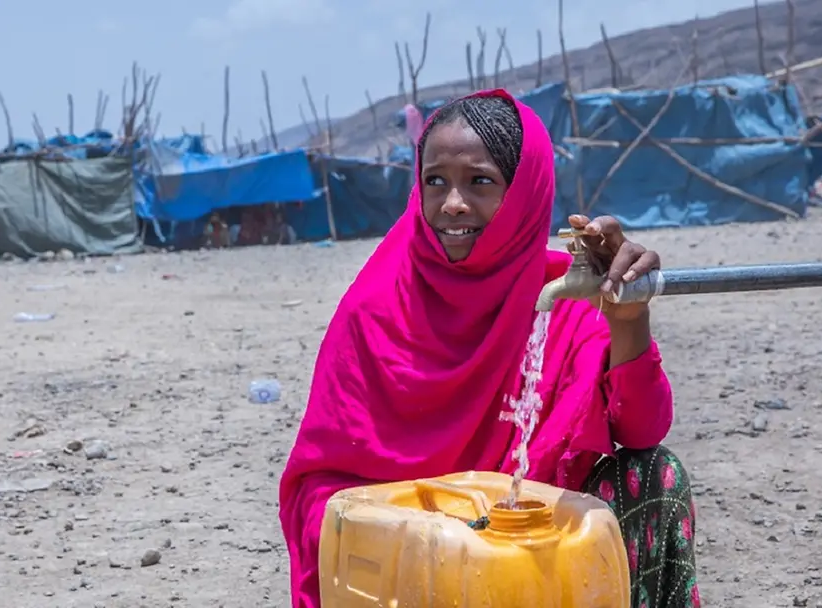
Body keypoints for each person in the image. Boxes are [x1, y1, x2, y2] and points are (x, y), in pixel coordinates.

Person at [278, 89, 699, 608]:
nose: (452, 203)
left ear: (524, 192)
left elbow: (642, 430)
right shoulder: (375, 309)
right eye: (435, 181)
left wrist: (629, 317)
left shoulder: (561, 300)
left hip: (533, 554)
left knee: (654, 475)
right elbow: (318, 491)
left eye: (480, 181)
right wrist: (426, 538)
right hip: (409, 568)